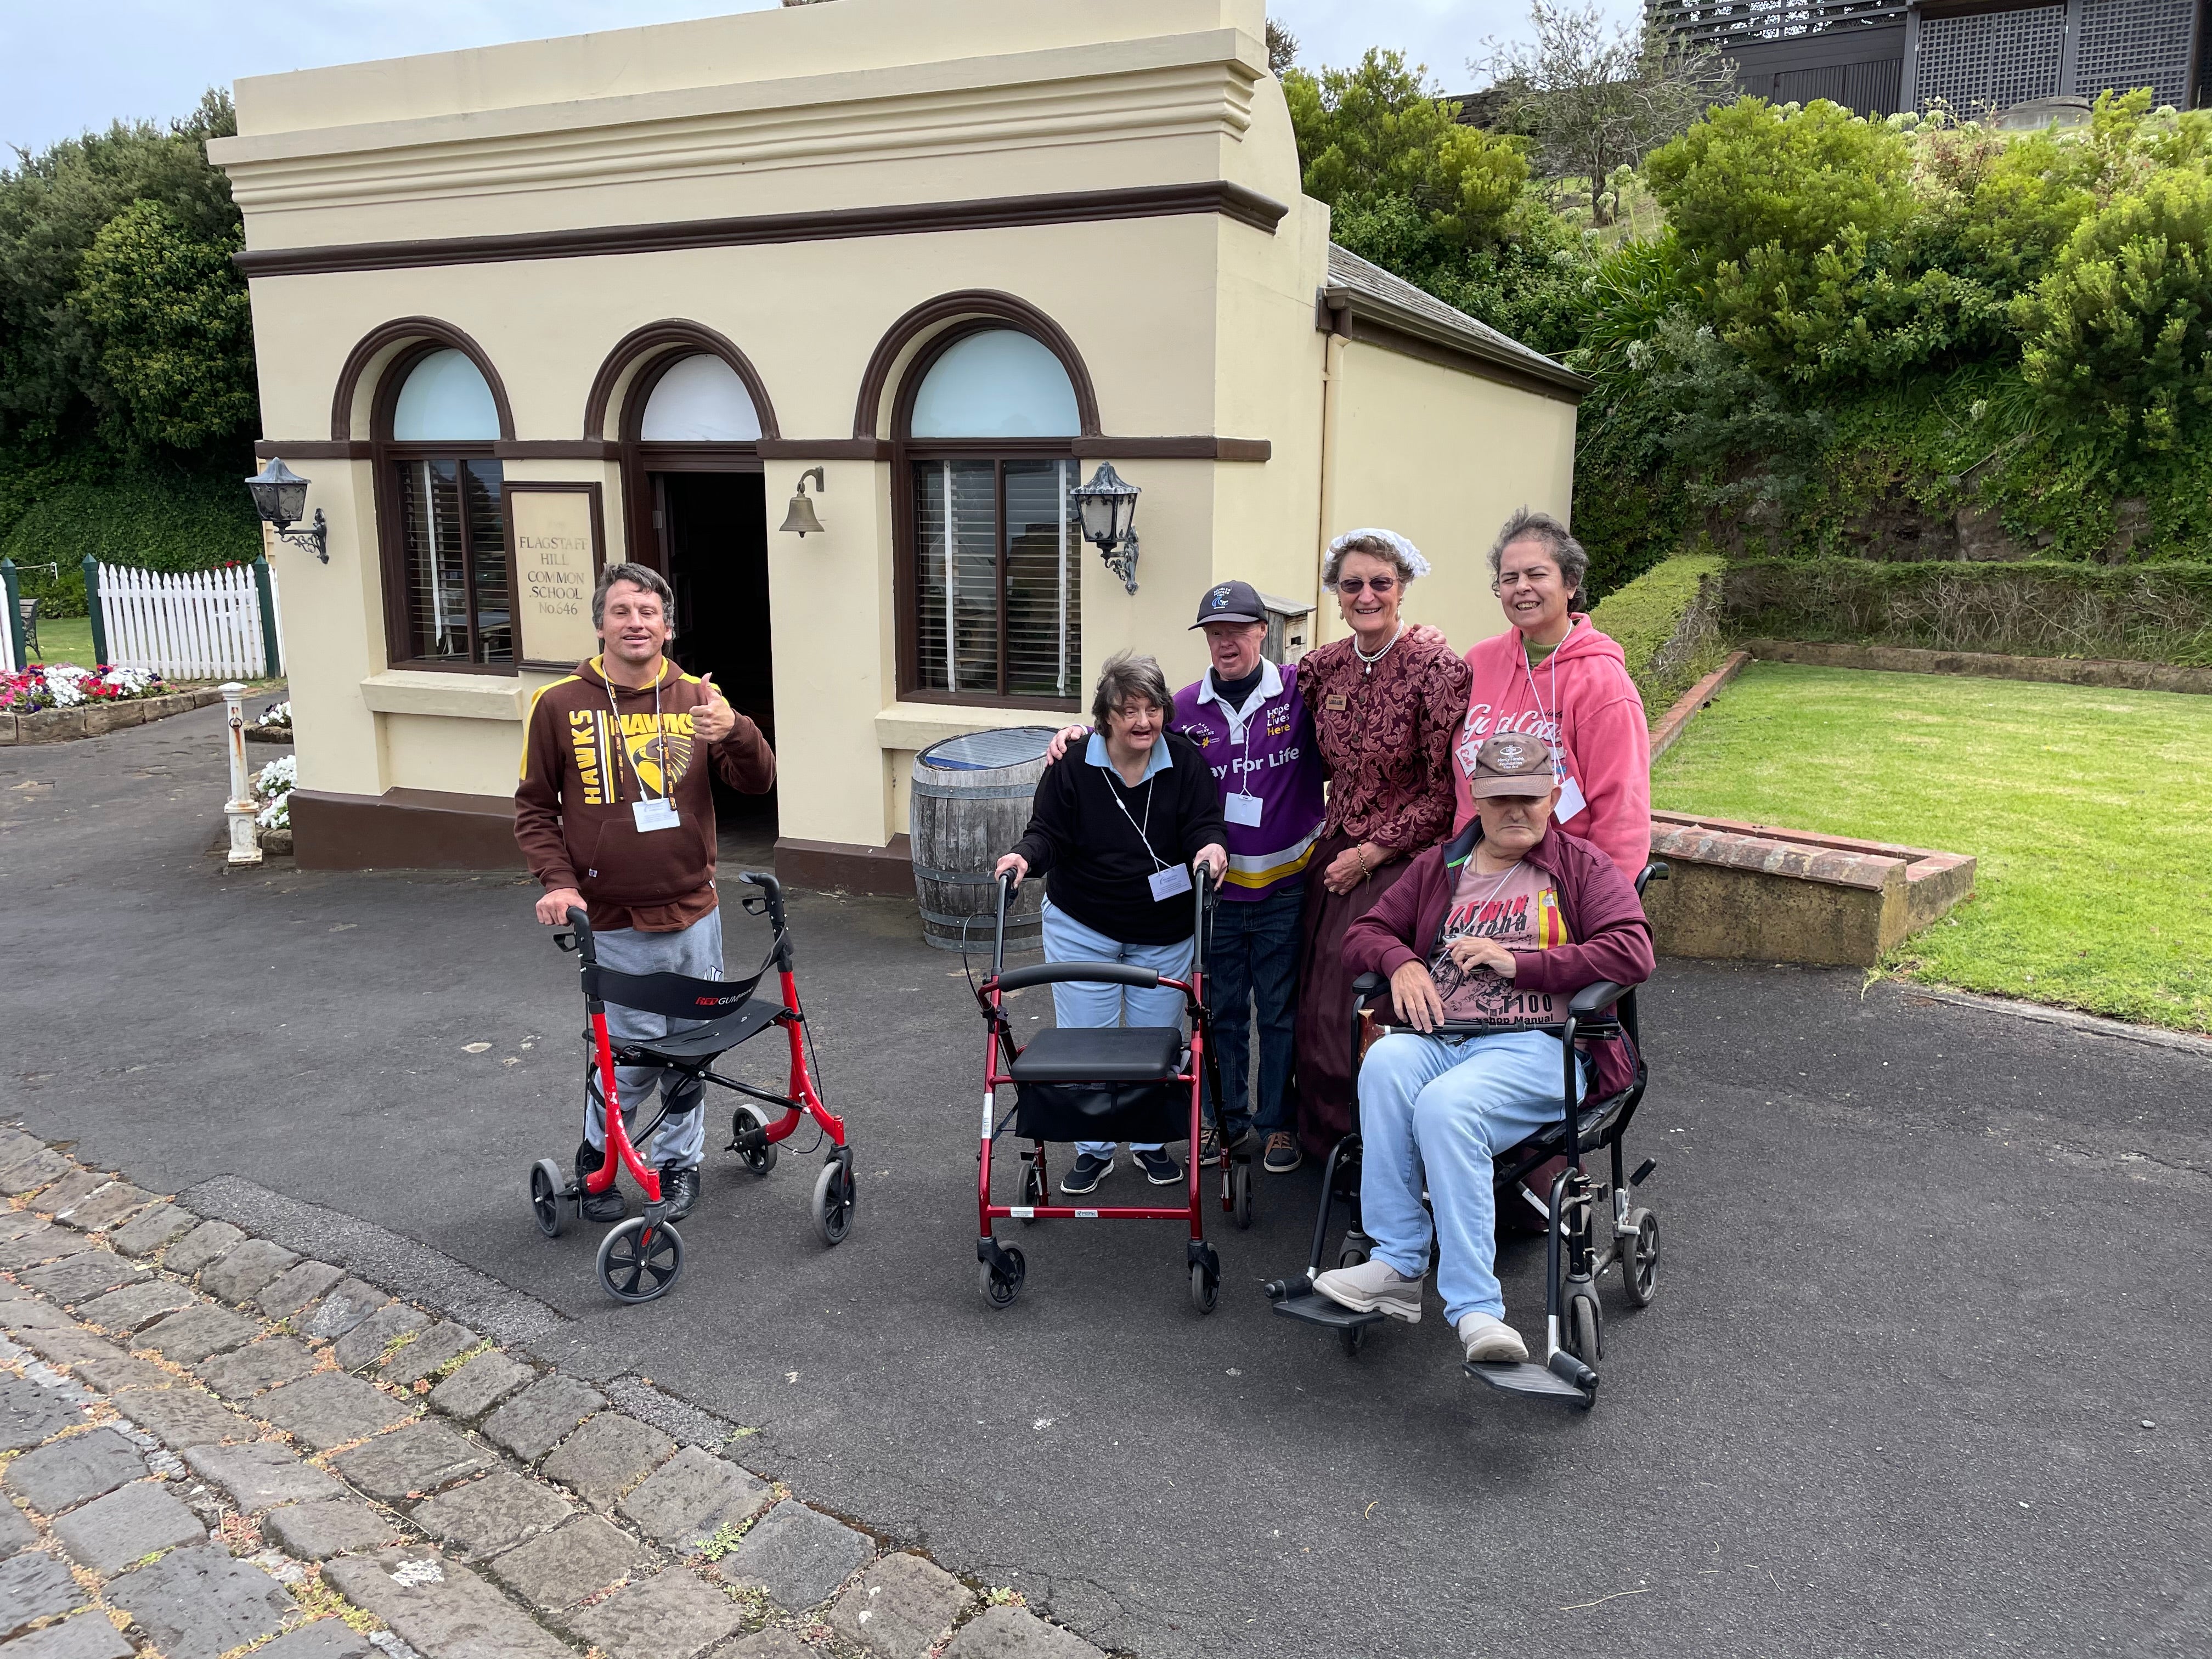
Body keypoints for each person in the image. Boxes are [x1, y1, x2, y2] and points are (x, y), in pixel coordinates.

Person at [1314, 732, 1654, 1364]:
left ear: (1553, 797)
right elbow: (1365, 931)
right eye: (1501, 799)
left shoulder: (1580, 866)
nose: (1515, 811)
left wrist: (1522, 964)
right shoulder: (1440, 867)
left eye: (1529, 797)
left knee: (1447, 1107)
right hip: (1447, 1040)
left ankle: (1476, 1311)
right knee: (1385, 1062)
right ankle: (1398, 1263)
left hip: (1541, 1047)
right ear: (1476, 798)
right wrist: (1400, 964)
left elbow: (1634, 950)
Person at [515, 561, 775, 1224]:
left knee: (691, 1050)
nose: (636, 623)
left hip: (693, 914)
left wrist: (736, 730)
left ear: (666, 626)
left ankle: (677, 1164)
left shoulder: (698, 698)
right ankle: (599, 1160)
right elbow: (535, 809)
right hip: (609, 921)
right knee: (626, 1059)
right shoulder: (558, 706)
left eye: (649, 612)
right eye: (623, 611)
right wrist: (558, 883)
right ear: (600, 622)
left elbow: (756, 784)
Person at [1040, 580, 1325, 1175]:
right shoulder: (1185, 707)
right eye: (1215, 633)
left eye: (1238, 631)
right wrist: (1076, 736)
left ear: (1261, 633)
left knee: (1277, 1014)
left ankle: (1274, 1127)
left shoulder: (1302, 691)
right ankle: (1225, 1124)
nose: (1227, 643)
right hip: (1209, 899)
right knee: (1216, 1015)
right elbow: (1120, 728)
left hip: (1281, 888)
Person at [995, 653, 1228, 1196]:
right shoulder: (1074, 764)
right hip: (1085, 922)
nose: (1143, 721)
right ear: (1106, 716)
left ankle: (1148, 1142)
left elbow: (1204, 824)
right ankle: (1093, 1148)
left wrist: (1211, 848)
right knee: (1089, 1043)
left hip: (1165, 930)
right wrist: (1022, 858)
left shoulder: (1186, 762)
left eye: (1152, 708)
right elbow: (1048, 831)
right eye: (1129, 711)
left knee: (1154, 1043)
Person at [1291, 529, 1471, 1160]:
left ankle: (1391, 1149)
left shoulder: (1437, 669)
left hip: (1406, 863)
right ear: (1336, 596)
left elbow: (1447, 793)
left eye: (1380, 583)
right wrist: (1093, 731)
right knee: (1316, 1004)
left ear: (1402, 589)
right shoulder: (1323, 667)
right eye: (1352, 585)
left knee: (1370, 1002)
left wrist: (1372, 853)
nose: (1366, 595)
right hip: (1334, 853)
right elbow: (1251, 715)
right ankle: (1326, 1141)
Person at [1455, 508, 1650, 880]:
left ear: (1571, 583)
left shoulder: (1603, 682)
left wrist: (1608, 906)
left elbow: (1622, 811)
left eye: (1536, 574)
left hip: (1560, 881)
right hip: (1472, 872)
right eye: (1509, 578)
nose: (1521, 587)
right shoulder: (1478, 663)